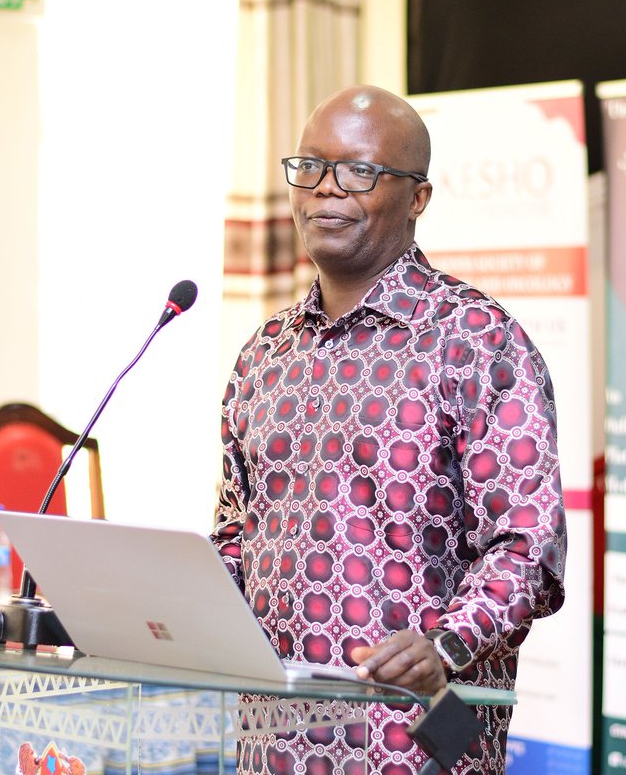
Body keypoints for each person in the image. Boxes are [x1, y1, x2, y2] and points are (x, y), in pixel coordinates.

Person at [212, 85, 567, 774]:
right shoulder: (262, 356)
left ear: (418, 198)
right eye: (309, 167)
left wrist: (444, 644)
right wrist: (154, 604)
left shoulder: (477, 340)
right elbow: (236, 534)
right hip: (274, 742)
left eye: (359, 172)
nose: (325, 190)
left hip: (423, 742)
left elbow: (530, 551)